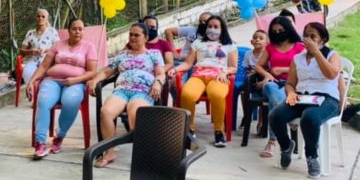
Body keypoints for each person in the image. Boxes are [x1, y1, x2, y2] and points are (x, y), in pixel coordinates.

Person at [88, 23, 166, 168]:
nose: (133, 38)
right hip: (122, 90)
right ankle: (109, 152)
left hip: (143, 91)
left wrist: (158, 83)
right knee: (106, 111)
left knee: (135, 112)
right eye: (131, 34)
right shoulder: (122, 55)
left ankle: (142, 154)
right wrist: (95, 80)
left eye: (137, 35)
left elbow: (161, 73)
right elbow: (106, 71)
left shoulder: (153, 54)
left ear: (146, 37)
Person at [270, 22, 341, 179]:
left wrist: (317, 53)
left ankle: (312, 157)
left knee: (309, 118)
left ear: (322, 39)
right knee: (275, 115)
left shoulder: (332, 55)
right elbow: (290, 83)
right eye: (306, 35)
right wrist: (290, 93)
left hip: (326, 99)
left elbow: (331, 74)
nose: (308, 39)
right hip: (302, 97)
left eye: (313, 36)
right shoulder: (298, 58)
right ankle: (286, 146)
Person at [26, 18, 97, 160]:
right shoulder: (58, 45)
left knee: (70, 101)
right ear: (68, 30)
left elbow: (92, 72)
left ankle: (59, 137)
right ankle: (40, 142)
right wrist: (31, 81)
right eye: (74, 28)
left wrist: (75, 80)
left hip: (75, 83)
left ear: (83, 31)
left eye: (80, 29)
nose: (77, 31)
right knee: (44, 101)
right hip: (53, 81)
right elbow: (44, 66)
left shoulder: (89, 47)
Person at [168, 15, 238, 147]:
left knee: (216, 95)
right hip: (199, 75)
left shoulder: (230, 45)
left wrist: (225, 72)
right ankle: (190, 129)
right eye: (209, 26)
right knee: (187, 94)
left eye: (216, 26)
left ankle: (219, 131)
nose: (212, 29)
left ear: (222, 28)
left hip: (219, 76)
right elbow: (188, 64)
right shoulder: (197, 43)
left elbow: (233, 67)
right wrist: (176, 70)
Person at [254, 16, 304, 158]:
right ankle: (287, 120)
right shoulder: (270, 47)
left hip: (292, 84)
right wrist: (267, 75)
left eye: (281, 30)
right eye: (274, 31)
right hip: (274, 83)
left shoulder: (299, 47)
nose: (277, 33)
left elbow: (303, 68)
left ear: (288, 29)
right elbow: (258, 65)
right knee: (270, 90)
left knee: (275, 101)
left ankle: (272, 140)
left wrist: (282, 70)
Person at [19, 8, 60, 85]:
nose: (40, 18)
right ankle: (32, 94)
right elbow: (22, 50)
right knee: (28, 74)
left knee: (47, 78)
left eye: (43, 16)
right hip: (32, 61)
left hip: (47, 61)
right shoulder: (30, 33)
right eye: (38, 16)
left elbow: (58, 47)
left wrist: (46, 50)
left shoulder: (52, 32)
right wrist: (31, 51)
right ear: (35, 18)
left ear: (47, 18)